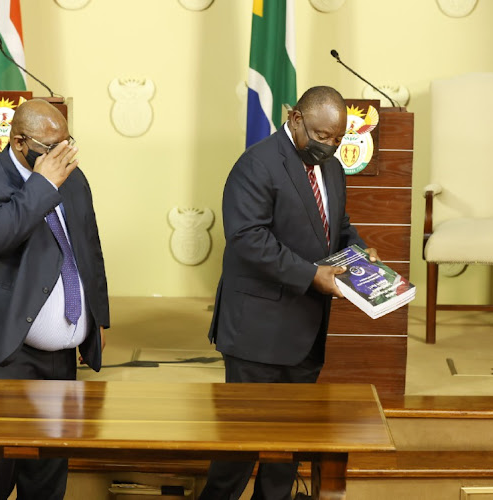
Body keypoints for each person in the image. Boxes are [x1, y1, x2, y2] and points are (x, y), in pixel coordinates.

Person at [200, 86, 379, 500]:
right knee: (237, 453)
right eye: (322, 136)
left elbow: (334, 223)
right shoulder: (256, 164)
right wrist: (312, 275)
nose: (330, 146)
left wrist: (358, 248)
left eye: (337, 139)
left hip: (305, 331)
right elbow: (247, 239)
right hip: (256, 333)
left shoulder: (332, 167)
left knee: (286, 453)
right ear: (296, 119)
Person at [0, 98, 109, 500]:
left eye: (68, 142)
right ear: (19, 143)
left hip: (57, 355)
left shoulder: (74, 177)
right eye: (52, 148)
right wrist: (44, 184)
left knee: (48, 469)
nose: (64, 154)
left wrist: (97, 318)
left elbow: (88, 246)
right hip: (0, 344)